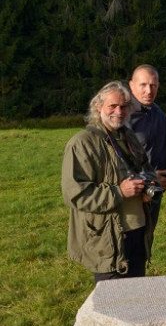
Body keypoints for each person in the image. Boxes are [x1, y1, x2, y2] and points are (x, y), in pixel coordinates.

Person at [62, 81, 157, 282]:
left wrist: (147, 186)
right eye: (112, 106)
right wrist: (119, 192)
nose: (119, 111)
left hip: (138, 231)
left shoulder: (128, 136)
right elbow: (75, 194)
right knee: (112, 304)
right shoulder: (82, 143)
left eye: (123, 107)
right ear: (98, 107)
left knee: (137, 298)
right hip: (109, 237)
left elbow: (146, 168)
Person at [126, 65, 166, 236]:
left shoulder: (158, 114)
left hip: (155, 193)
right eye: (143, 85)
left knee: (146, 243)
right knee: (129, 245)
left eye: (153, 85)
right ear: (131, 86)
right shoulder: (123, 116)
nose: (149, 90)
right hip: (131, 196)